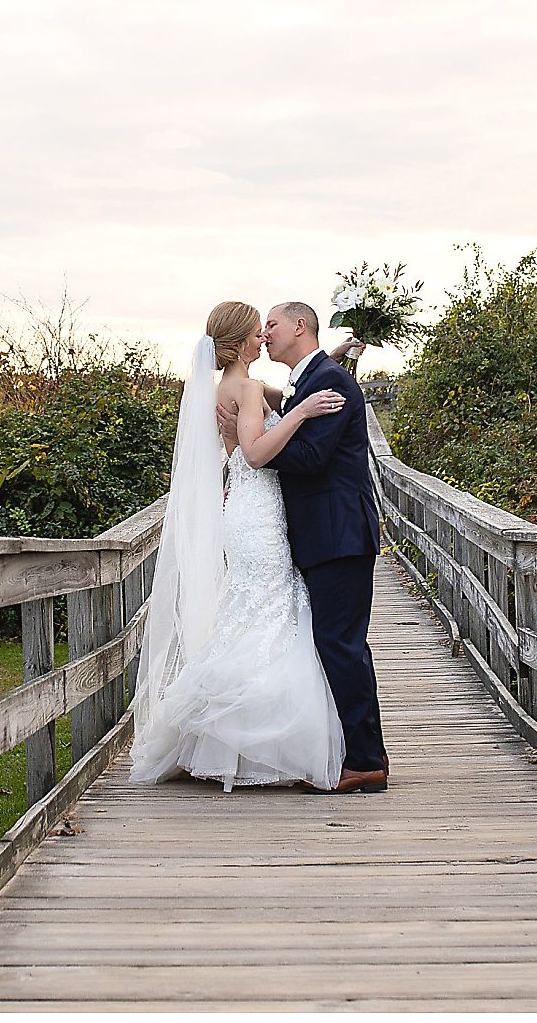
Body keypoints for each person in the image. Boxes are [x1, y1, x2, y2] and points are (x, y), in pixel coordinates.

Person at [128, 301, 351, 791]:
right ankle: (256, 740)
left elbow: (289, 393)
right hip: (259, 512)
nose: (263, 338)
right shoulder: (246, 388)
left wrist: (326, 363)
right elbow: (254, 452)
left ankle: (226, 734)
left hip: (248, 512)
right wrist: (306, 413)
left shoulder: (229, 387)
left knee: (253, 608)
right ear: (240, 342)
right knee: (270, 608)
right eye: (257, 332)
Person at [221, 301, 388, 794]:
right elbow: (289, 408)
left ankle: (364, 761)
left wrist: (251, 448)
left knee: (340, 644)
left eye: (271, 323)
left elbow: (313, 456)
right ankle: (354, 753)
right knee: (334, 643)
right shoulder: (311, 378)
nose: (265, 332)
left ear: (299, 326)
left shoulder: (328, 381)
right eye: (259, 328)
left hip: (338, 534)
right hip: (322, 534)